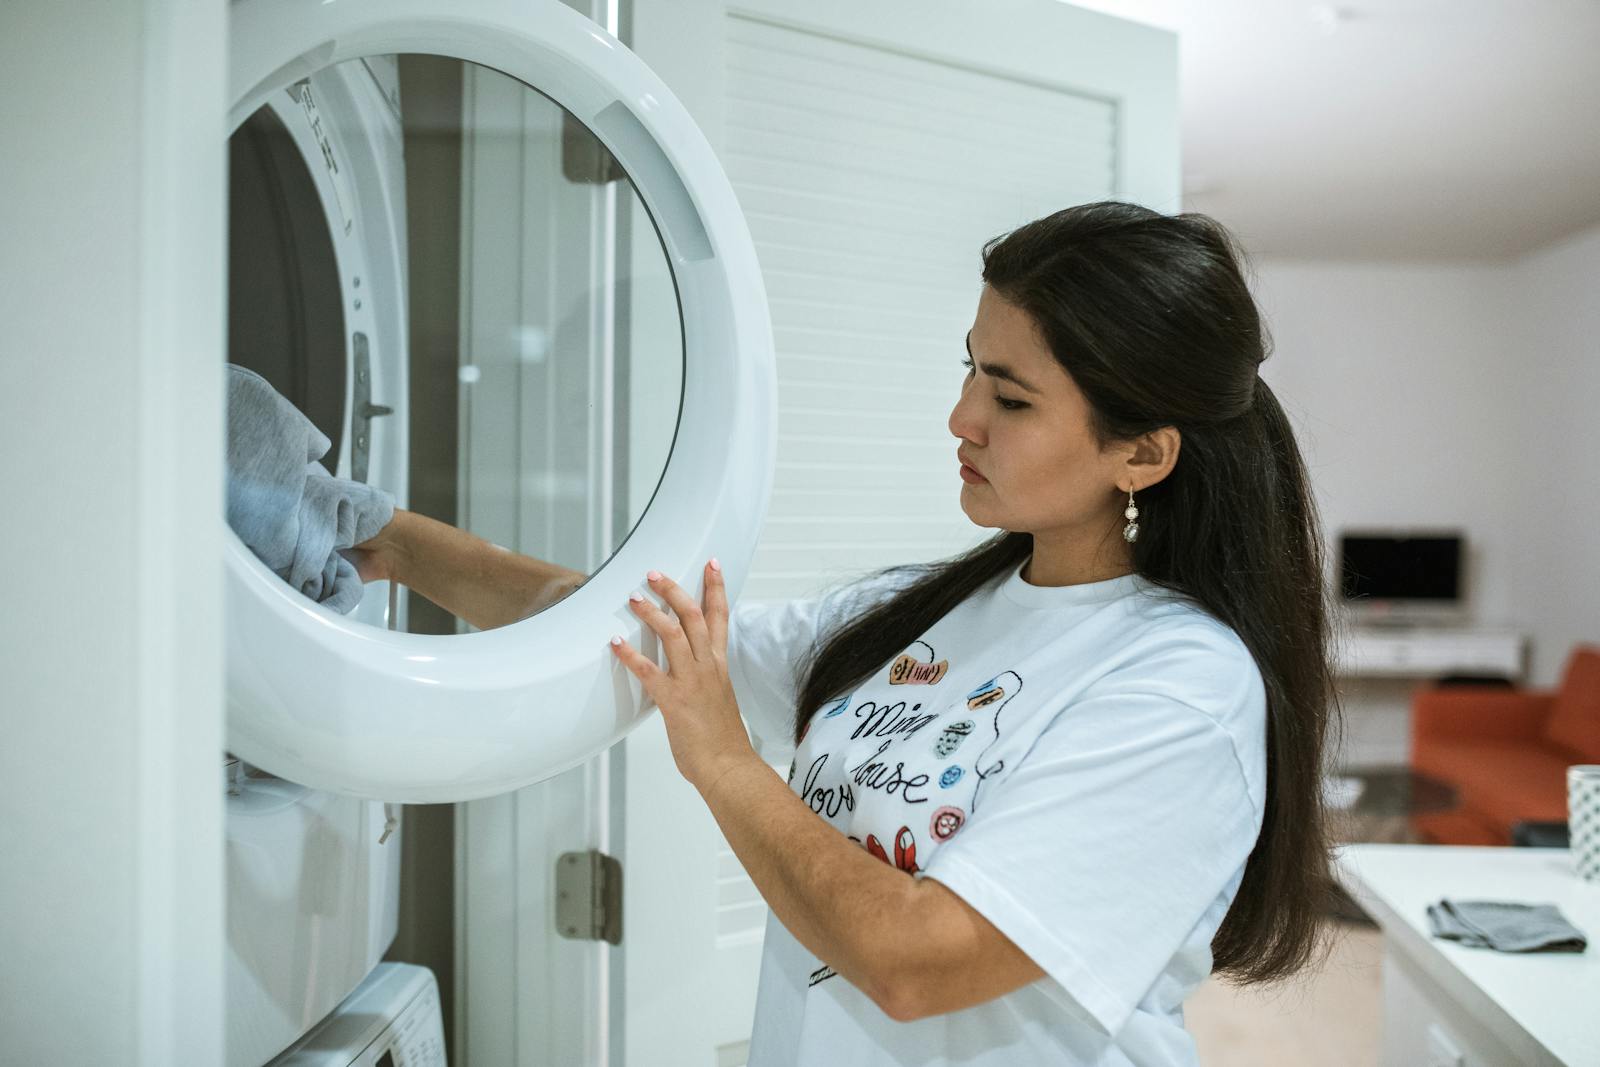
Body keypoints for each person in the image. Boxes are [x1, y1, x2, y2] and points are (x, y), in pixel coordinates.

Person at [354, 200, 1340, 1066]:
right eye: (969, 368)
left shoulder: (1179, 689)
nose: (961, 415)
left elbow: (914, 961)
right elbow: (630, 627)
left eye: (1010, 396)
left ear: (1140, 451)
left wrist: (726, 761)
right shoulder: (921, 612)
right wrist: (383, 535)